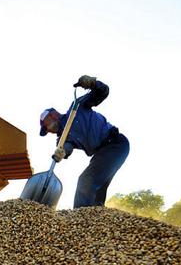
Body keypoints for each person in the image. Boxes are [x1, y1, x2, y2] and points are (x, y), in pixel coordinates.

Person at [39, 75, 129, 208]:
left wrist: (93, 84)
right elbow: (66, 148)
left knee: (86, 181)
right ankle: (97, 220)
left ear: (53, 115)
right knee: (97, 190)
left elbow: (102, 92)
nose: (48, 131)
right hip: (102, 152)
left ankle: (79, 219)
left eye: (46, 127)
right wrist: (61, 152)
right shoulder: (62, 138)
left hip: (115, 144)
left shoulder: (77, 106)